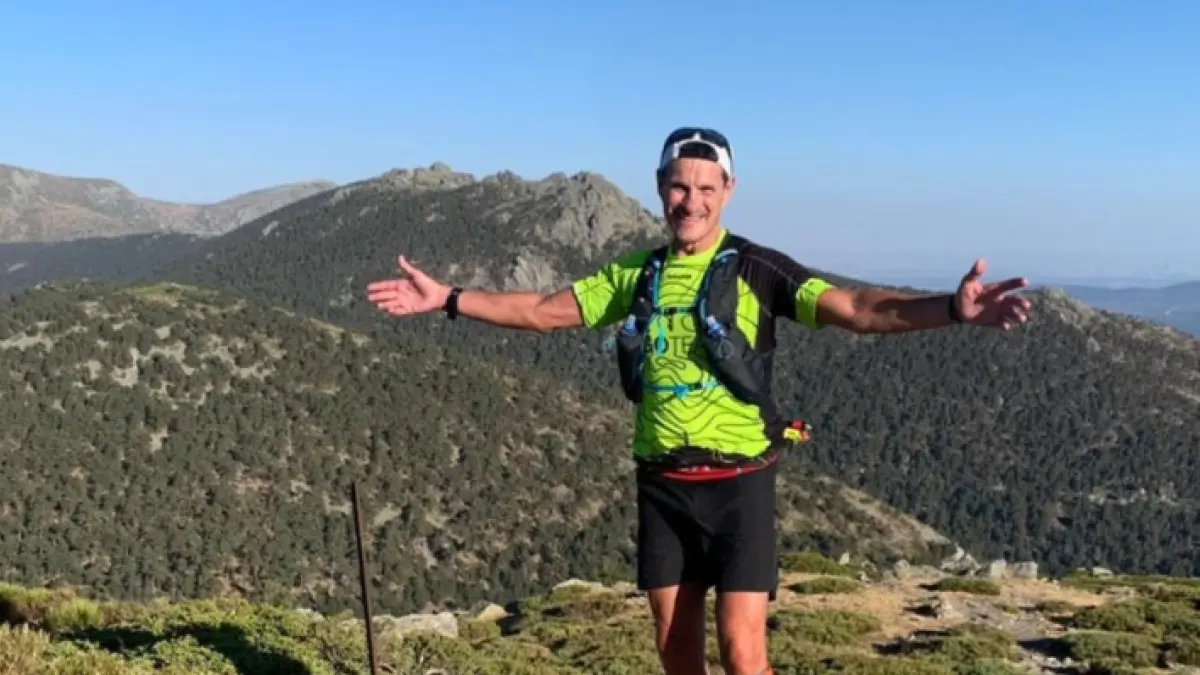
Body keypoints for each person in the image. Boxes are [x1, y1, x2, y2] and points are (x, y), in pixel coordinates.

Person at [365, 126, 1032, 675]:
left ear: (728, 191)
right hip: (663, 484)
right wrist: (448, 298)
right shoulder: (638, 274)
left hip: (740, 483)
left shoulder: (758, 269)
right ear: (661, 188)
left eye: (706, 188)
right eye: (680, 187)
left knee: (744, 652)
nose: (691, 201)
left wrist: (950, 309)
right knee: (674, 651)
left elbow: (856, 308)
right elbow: (542, 310)